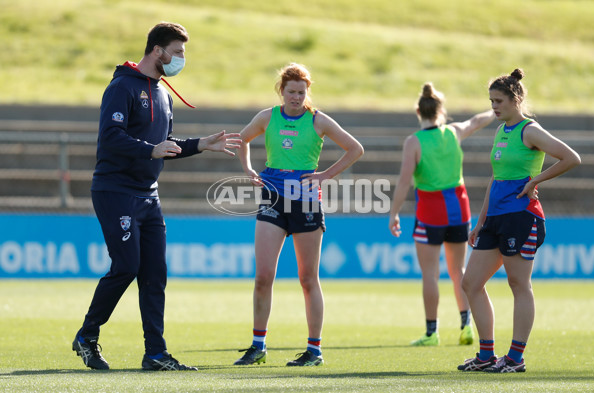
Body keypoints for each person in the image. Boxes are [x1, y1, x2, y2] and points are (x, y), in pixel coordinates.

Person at [72, 22, 241, 371]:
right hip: (115, 191)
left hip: (149, 195)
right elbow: (111, 137)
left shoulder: (163, 93)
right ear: (156, 51)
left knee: (155, 273)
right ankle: (87, 336)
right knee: (126, 267)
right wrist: (150, 150)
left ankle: (156, 353)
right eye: (177, 52)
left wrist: (201, 145)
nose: (181, 59)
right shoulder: (122, 87)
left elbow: (168, 146)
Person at [233, 63, 364, 367]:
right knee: (263, 276)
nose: (296, 97)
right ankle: (258, 345)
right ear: (282, 91)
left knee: (307, 278)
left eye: (301, 92)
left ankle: (314, 350)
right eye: (291, 91)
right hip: (273, 198)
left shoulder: (318, 121)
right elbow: (242, 139)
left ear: (307, 92)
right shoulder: (267, 117)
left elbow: (354, 148)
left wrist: (325, 175)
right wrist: (249, 169)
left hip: (305, 200)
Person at [457, 69, 580, 373]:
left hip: (522, 217)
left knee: (518, 283)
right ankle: (486, 355)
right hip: (496, 218)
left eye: (498, 101)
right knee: (470, 283)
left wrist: (535, 179)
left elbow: (571, 157)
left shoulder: (530, 130)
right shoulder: (501, 131)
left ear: (516, 99)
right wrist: (480, 221)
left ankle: (515, 357)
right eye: (491, 101)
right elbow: (496, 179)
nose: (494, 106)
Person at [388, 82, 495, 347]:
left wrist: (394, 213)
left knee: (430, 274)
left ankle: (431, 332)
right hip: (459, 209)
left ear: (418, 111)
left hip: (430, 211)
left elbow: (404, 182)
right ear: (441, 110)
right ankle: (465, 325)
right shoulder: (454, 131)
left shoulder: (414, 141)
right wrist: (495, 110)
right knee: (458, 271)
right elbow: (476, 121)